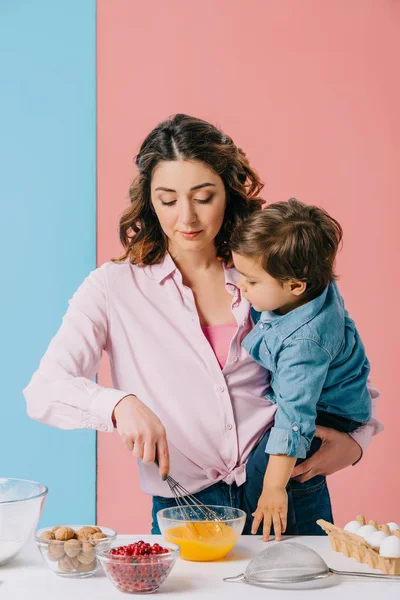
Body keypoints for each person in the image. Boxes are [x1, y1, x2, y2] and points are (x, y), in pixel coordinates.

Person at [23, 114, 383, 539]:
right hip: (186, 505)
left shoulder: (268, 268)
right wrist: (119, 405)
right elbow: (44, 390)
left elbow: (334, 361)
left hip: (288, 489)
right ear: (149, 201)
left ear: (228, 193)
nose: (187, 218)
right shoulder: (113, 288)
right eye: (168, 199)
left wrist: (356, 441)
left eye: (203, 196)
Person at [230, 198, 372, 541]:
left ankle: (277, 533)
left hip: (329, 410)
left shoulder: (304, 346)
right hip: (332, 394)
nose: (240, 287)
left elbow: (295, 417)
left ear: (295, 286)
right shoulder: (310, 282)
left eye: (250, 281)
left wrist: (273, 490)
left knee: (275, 472)